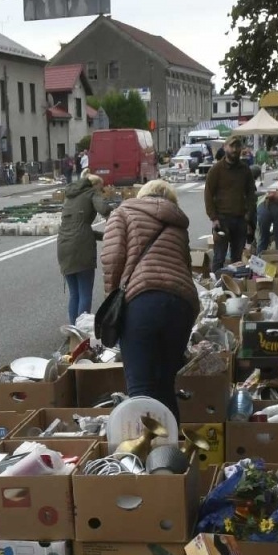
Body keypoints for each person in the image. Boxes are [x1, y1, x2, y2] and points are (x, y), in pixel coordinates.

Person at [101, 179, 195, 420]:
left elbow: (112, 259)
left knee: (140, 388)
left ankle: (144, 455)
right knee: (165, 384)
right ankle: (172, 453)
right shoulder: (178, 223)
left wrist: (113, 298)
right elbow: (185, 265)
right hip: (182, 304)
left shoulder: (122, 213)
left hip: (143, 301)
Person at [56, 171, 112, 324]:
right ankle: (82, 331)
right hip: (81, 248)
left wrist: (103, 236)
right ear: (94, 185)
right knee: (85, 293)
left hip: (63, 245)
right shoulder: (91, 192)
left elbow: (78, 227)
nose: (101, 191)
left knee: (74, 293)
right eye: (100, 188)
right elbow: (105, 209)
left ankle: (73, 329)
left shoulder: (70, 195)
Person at [204, 135, 257, 270]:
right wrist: (213, 218)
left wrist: (248, 214)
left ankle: (235, 285)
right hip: (222, 219)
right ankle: (216, 286)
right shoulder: (216, 170)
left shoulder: (245, 170)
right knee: (219, 257)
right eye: (232, 146)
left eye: (237, 146)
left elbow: (251, 193)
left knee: (237, 259)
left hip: (240, 219)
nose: (234, 149)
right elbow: (208, 194)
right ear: (225, 147)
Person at [255, 185, 278, 253]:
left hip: (263, 210)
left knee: (263, 239)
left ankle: (259, 259)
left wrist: (258, 240)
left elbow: (258, 230)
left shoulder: (260, 198)